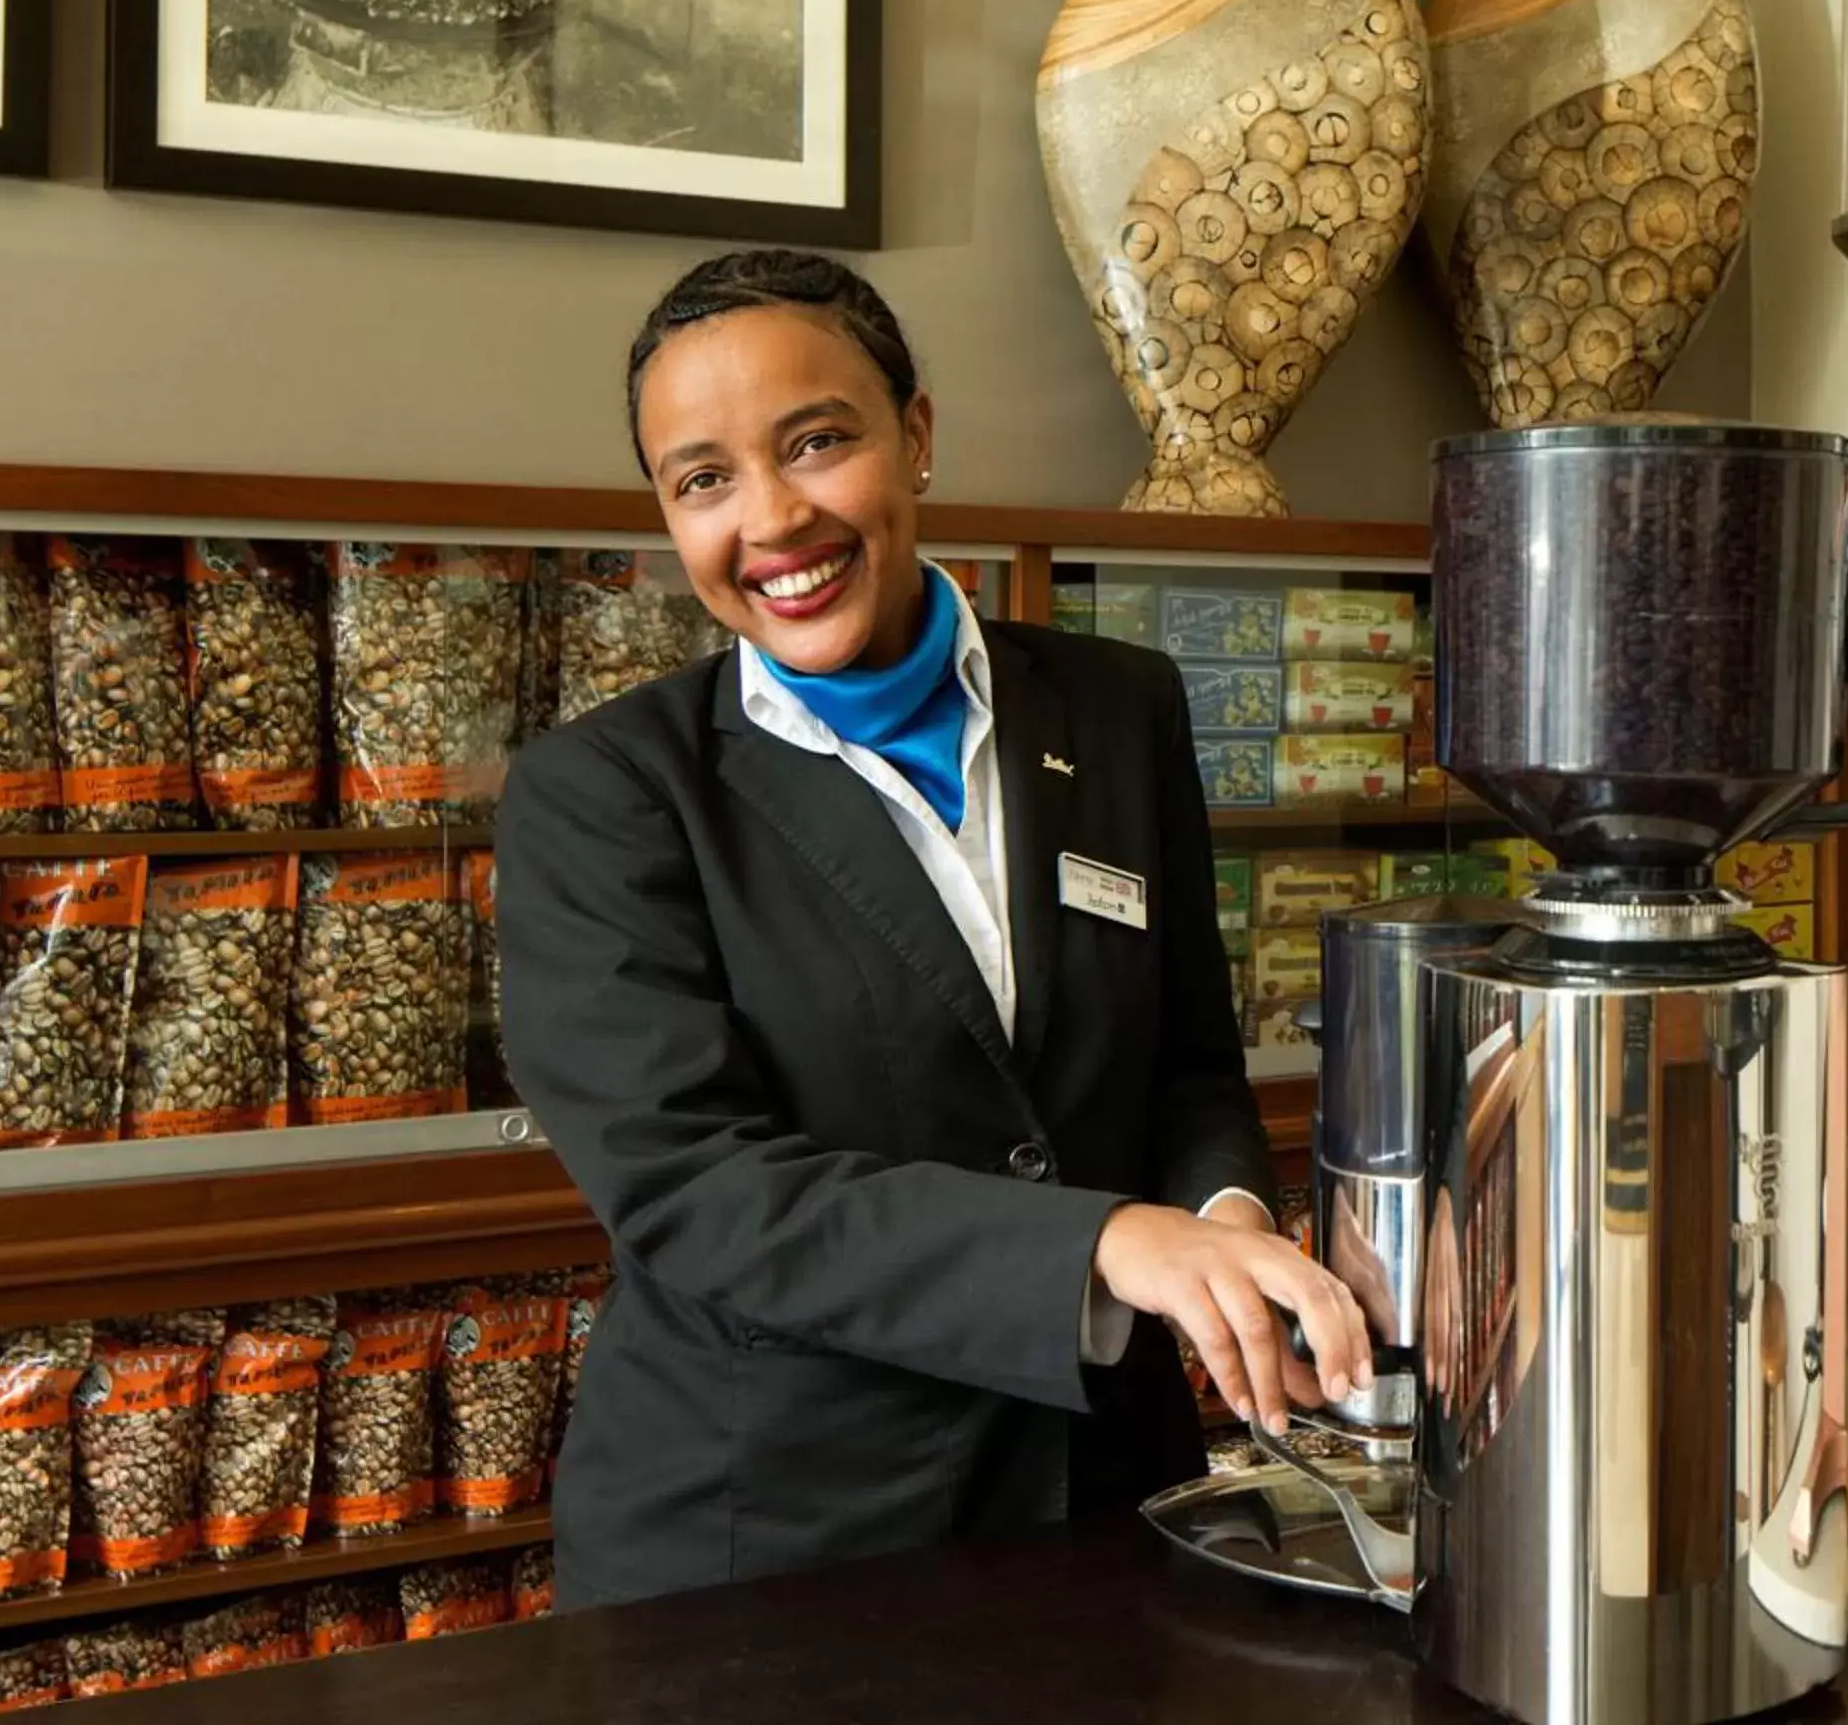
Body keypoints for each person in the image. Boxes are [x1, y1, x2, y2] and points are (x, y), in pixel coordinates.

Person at [496, 250, 1372, 1611]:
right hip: (773, 1543)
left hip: (1105, 1495)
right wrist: (1108, 1245)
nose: (773, 520)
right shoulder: (607, 793)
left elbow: (1188, 1059)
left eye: (818, 442)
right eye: (704, 479)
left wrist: (1226, 1226)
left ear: (915, 434)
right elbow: (696, 1192)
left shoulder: (1116, 706)